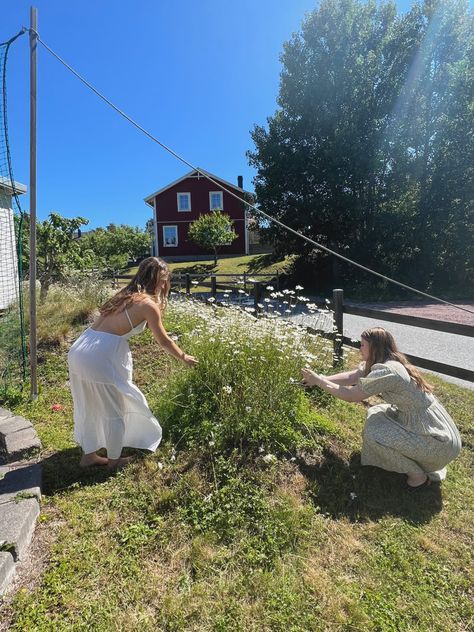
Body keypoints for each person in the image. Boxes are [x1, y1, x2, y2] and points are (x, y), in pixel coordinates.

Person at [68, 257, 197, 470]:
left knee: (87, 404)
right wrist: (183, 357)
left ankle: (88, 456)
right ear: (157, 279)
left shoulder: (123, 295)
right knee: (114, 411)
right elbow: (164, 340)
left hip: (81, 347)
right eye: (164, 279)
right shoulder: (147, 304)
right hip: (98, 355)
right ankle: (114, 461)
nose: (165, 285)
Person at [301, 327, 461, 489]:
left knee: (374, 434)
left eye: (363, 345)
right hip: (432, 427)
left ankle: (418, 475)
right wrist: (319, 379)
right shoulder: (388, 361)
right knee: (376, 413)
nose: (359, 348)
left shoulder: (387, 371)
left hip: (438, 441)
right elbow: (354, 377)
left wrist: (320, 382)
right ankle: (421, 461)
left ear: (374, 347)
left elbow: (352, 396)